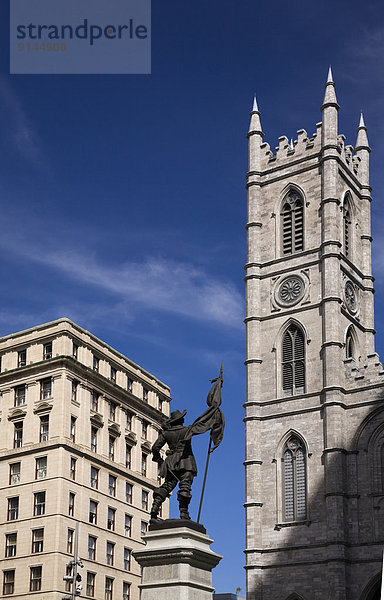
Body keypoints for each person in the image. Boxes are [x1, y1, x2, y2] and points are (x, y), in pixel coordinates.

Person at [150, 409, 196, 520]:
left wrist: (159, 460)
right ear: (181, 420)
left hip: (171, 462)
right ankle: (183, 513)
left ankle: (155, 508)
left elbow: (155, 448)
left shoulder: (167, 433)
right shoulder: (187, 430)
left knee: (167, 485)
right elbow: (201, 426)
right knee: (185, 486)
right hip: (186, 461)